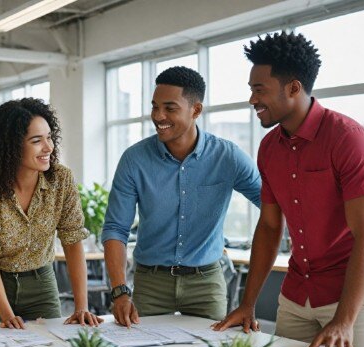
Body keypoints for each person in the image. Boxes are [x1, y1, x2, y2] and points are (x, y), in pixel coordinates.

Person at [214, 32, 364, 347]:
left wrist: (343, 320)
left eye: (259, 90)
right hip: (299, 293)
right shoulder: (269, 148)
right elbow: (269, 228)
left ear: (293, 88)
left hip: (356, 295)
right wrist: (247, 303)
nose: (252, 100)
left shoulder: (349, 139)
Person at [102, 66, 261, 327]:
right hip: (150, 283)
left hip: (206, 283)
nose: (158, 116)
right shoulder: (134, 160)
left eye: (169, 108)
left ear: (196, 110)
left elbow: (272, 205)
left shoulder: (228, 157)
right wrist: (120, 291)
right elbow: (115, 229)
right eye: (155, 107)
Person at [0, 98, 102, 329]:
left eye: (49, 137)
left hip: (41, 284)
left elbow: (73, 240)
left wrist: (81, 307)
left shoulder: (61, 180)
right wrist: (6, 314)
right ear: (10, 146)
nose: (48, 147)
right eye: (37, 141)